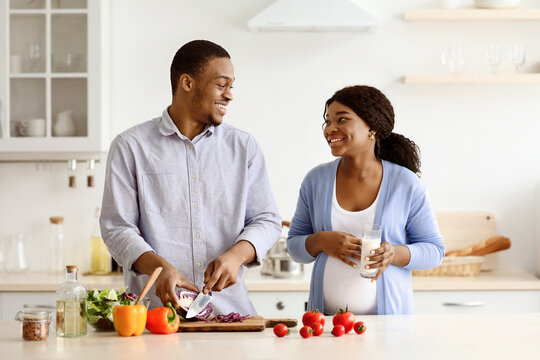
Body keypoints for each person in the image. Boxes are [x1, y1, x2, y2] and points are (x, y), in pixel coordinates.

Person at [100, 40, 281, 315]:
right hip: (155, 316)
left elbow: (267, 220)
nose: (230, 95)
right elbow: (117, 228)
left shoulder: (244, 148)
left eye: (232, 87)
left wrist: (237, 255)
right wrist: (158, 270)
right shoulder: (130, 146)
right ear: (187, 82)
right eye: (222, 85)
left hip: (228, 315)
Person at [287, 85, 444, 315]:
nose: (331, 129)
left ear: (371, 127)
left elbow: (435, 250)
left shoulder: (405, 183)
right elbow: (294, 247)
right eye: (328, 121)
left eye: (342, 120)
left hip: (389, 328)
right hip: (327, 326)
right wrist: (320, 241)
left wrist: (394, 254)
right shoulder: (315, 181)